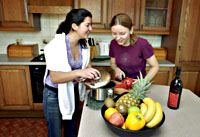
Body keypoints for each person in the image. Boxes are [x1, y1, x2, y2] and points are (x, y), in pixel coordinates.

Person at [43, 8, 100, 137]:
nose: (91, 29)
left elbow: (86, 69)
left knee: (71, 129)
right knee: (55, 133)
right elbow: (55, 78)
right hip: (53, 94)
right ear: (74, 26)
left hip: (71, 91)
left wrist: (89, 77)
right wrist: (80, 73)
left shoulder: (84, 45)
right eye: (87, 25)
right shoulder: (55, 46)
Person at [109, 13, 159, 81]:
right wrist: (116, 69)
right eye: (114, 33)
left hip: (138, 84)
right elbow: (113, 63)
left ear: (131, 30)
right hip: (120, 83)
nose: (117, 38)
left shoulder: (143, 44)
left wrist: (143, 81)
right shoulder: (113, 44)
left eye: (122, 34)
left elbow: (155, 66)